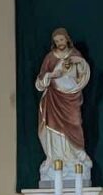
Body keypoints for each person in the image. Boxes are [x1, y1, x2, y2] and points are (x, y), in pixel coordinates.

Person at [35, 27, 92, 176]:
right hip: (53, 99)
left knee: (75, 122)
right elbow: (40, 81)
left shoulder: (75, 55)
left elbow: (82, 75)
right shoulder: (50, 58)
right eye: (56, 41)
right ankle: (55, 158)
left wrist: (79, 70)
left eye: (61, 39)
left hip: (71, 99)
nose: (59, 43)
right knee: (53, 128)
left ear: (67, 39)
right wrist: (51, 75)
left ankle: (77, 155)